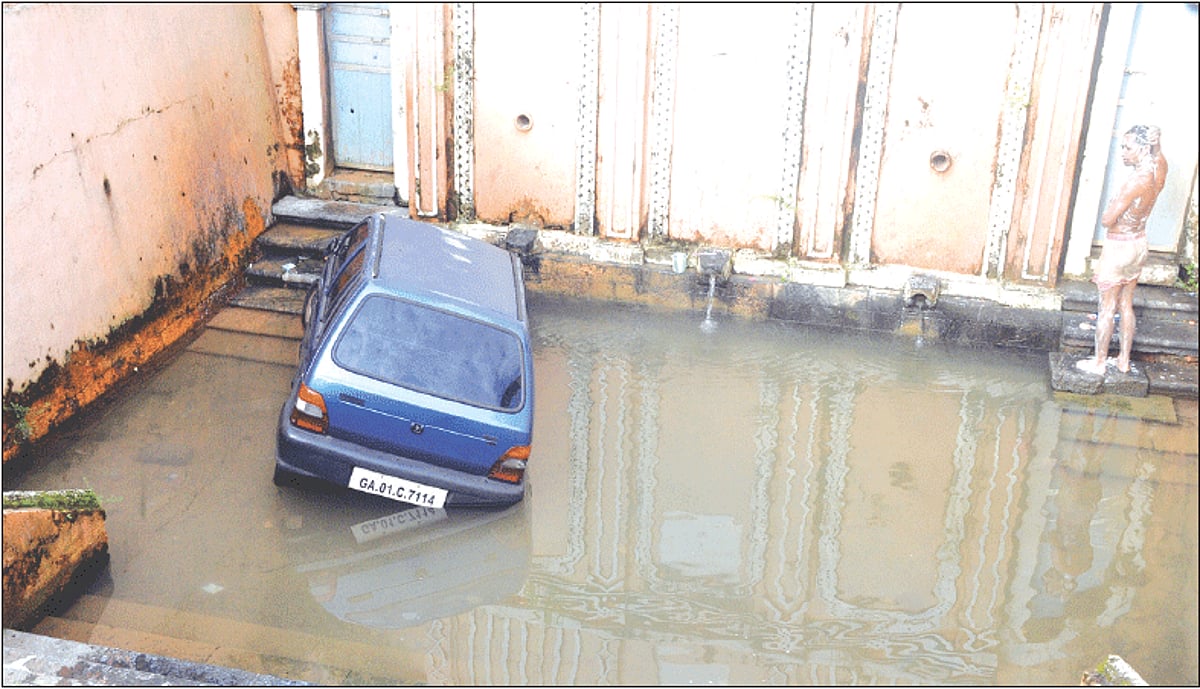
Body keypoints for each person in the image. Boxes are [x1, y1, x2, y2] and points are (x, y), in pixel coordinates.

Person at [1076, 124, 1167, 376]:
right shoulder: (1157, 174)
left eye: (1127, 147)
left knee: (1107, 307)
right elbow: (1159, 159)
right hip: (1139, 243)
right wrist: (1157, 146)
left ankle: (1099, 363)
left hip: (1119, 245)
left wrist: (1111, 205)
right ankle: (1124, 361)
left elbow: (1108, 219)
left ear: (1142, 148)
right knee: (1126, 304)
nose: (1123, 152)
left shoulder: (1134, 181)